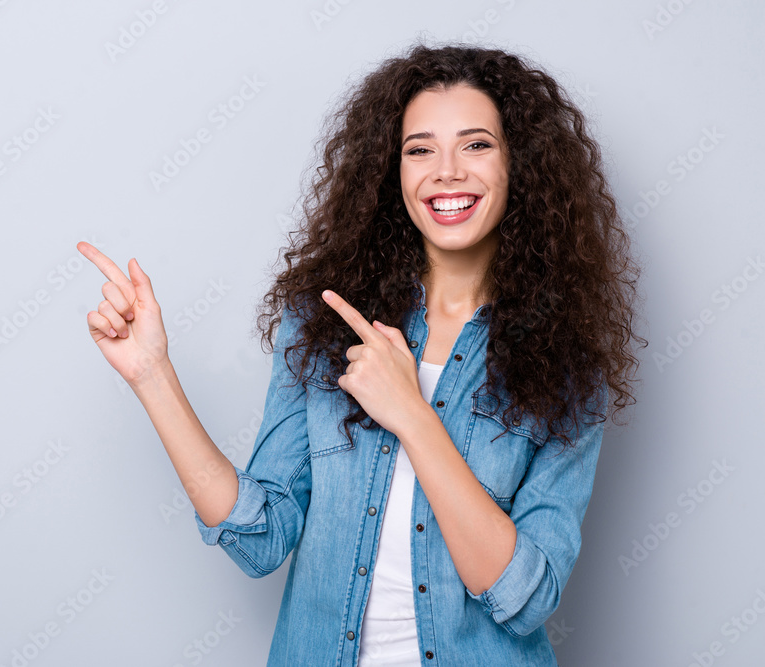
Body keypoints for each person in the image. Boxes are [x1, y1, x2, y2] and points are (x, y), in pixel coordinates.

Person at [78, 41, 645, 667]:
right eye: (419, 149)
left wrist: (413, 415)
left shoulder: (567, 362)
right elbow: (259, 539)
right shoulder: (324, 321)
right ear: (391, 171)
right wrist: (152, 376)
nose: (447, 171)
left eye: (476, 145)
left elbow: (526, 597)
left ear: (521, 165)